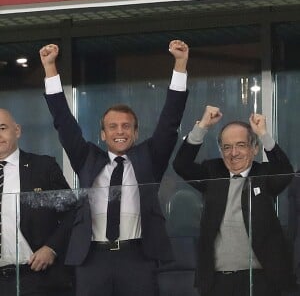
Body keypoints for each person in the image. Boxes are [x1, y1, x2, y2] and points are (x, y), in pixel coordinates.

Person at [39, 39, 189, 296]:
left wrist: (180, 64)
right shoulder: (88, 158)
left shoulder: (149, 158)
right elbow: (63, 122)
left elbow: (170, 121)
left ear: (136, 132)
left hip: (137, 258)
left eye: (126, 126)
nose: (120, 131)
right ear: (103, 134)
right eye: (113, 127)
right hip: (91, 259)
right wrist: (50, 68)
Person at [173, 105, 295, 296]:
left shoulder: (263, 174)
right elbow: (181, 165)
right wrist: (203, 125)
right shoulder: (212, 172)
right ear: (221, 151)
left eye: (241, 145)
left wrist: (263, 134)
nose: (233, 153)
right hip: (218, 281)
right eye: (227, 147)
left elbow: (286, 172)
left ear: (254, 148)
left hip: (262, 279)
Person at [0, 108, 73, 295]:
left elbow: (73, 212)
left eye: (2, 128)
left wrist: (52, 248)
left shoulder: (43, 167)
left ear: (17, 130)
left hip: (37, 278)